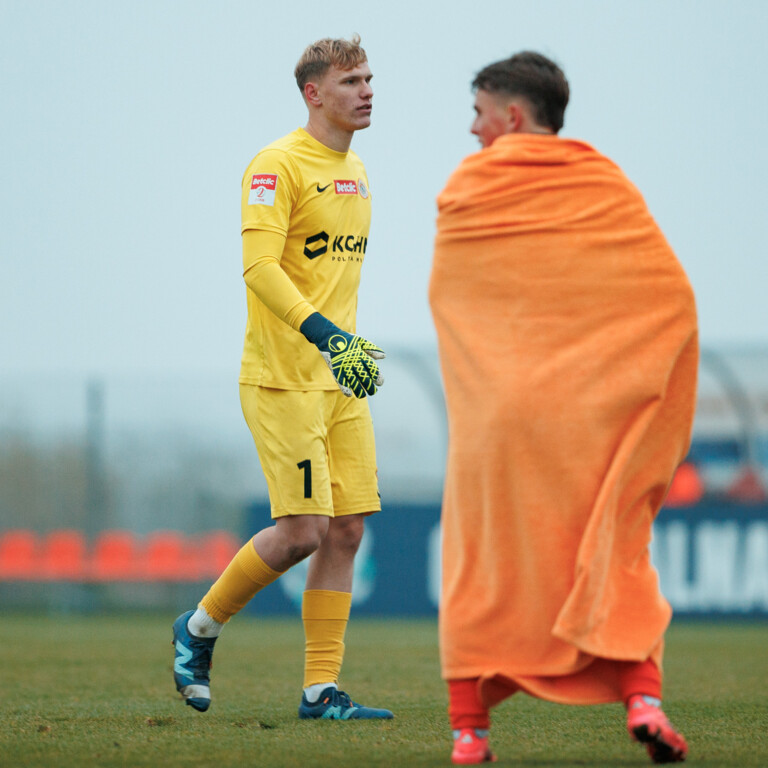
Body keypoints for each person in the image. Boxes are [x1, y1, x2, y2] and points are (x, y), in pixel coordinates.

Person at [429, 51, 697, 764]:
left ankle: (468, 735)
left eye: (480, 115)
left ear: (513, 117)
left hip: (501, 420)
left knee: (481, 560)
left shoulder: (473, 184)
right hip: (593, 422)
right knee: (614, 547)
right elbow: (667, 298)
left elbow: (456, 294)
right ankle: (643, 701)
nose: (473, 131)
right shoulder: (607, 184)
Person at [172, 34, 393, 722]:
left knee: (348, 530)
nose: (367, 91)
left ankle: (320, 692)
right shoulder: (275, 165)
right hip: (282, 378)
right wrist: (327, 336)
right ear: (314, 92)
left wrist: (345, 348)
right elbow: (261, 270)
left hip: (339, 381)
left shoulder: (356, 171)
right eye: (353, 81)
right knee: (303, 531)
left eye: (369, 79)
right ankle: (197, 629)